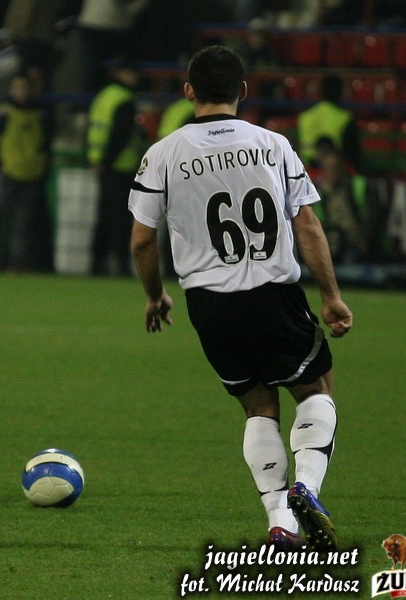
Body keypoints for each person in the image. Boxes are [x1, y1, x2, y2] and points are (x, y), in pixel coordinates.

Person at [128, 45, 352, 550]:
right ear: (243, 91)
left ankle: (280, 520)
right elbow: (307, 225)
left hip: (209, 305)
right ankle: (306, 486)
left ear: (189, 92)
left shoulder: (161, 154)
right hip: (273, 293)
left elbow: (142, 240)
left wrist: (155, 295)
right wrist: (331, 296)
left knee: (257, 407)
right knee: (315, 389)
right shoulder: (273, 145)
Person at [0, 71, 53, 272]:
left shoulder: (41, 114)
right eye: (18, 88)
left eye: (24, 88)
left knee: (22, 224)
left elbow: (46, 145)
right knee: (0, 219)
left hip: (32, 174)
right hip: (8, 173)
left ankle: (18, 262)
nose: (21, 92)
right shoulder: (3, 113)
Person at [86, 58, 147, 276]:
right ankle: (121, 265)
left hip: (101, 166)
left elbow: (92, 129)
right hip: (120, 168)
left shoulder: (103, 96)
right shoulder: (125, 99)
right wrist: (108, 161)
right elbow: (120, 137)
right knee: (120, 220)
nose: (136, 78)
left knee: (103, 218)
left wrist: (97, 161)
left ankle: (96, 265)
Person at [311, 137, 379, 264]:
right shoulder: (320, 194)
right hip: (333, 243)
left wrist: (365, 241)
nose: (332, 174)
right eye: (328, 170)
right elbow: (318, 223)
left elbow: (373, 218)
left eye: (335, 169)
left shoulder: (359, 186)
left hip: (358, 244)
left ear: (342, 167)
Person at [297, 74, 361, 172]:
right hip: (334, 171)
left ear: (321, 91)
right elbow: (352, 154)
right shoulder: (345, 117)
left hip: (305, 170)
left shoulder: (304, 116)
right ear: (340, 92)